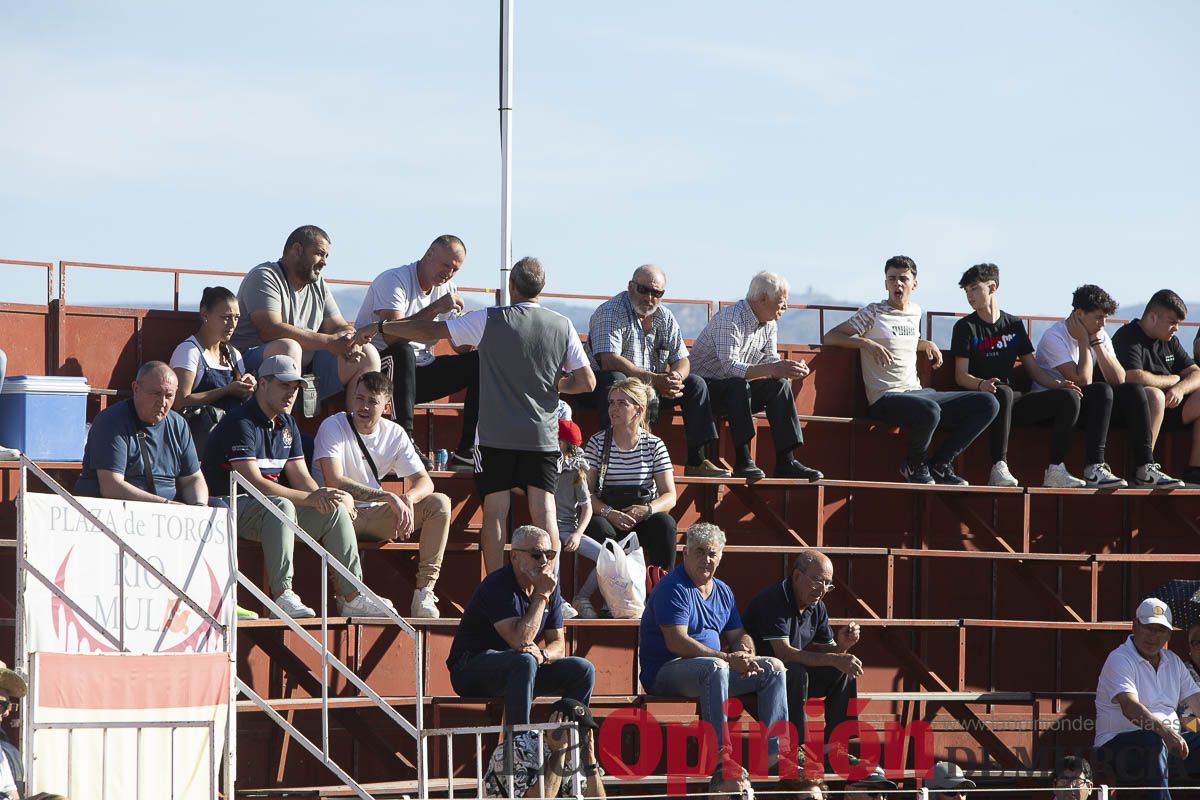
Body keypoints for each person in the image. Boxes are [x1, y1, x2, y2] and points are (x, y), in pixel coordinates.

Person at [355, 257, 596, 573]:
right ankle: (548, 587)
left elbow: (431, 329)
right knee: (545, 511)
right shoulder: (562, 325)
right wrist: (554, 384)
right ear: (542, 288)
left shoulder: (490, 319)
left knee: (496, 511)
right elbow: (587, 381)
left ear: (511, 286)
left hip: (496, 434)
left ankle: (496, 583)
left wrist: (383, 326)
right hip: (541, 435)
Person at [202, 354, 394, 620]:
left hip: (266, 509)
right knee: (282, 505)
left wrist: (323, 496)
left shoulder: (287, 423)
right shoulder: (240, 422)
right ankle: (282, 595)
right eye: (284, 386)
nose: (291, 394)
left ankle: (351, 596)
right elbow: (255, 484)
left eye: (295, 388)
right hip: (230, 504)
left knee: (334, 510)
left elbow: (301, 477)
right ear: (263, 384)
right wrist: (311, 499)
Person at [638, 522, 789, 795]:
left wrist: (746, 653)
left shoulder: (723, 591)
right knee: (716, 667)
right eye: (699, 552)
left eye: (712, 553)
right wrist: (729, 658)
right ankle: (721, 756)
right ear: (685, 554)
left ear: (721, 556)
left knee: (774, 668)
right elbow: (676, 641)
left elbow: (738, 634)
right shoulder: (673, 588)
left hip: (713, 669)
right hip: (664, 671)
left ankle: (776, 753)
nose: (706, 559)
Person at [823, 255, 999, 485]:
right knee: (930, 410)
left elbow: (901, 340)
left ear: (914, 284)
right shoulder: (873, 313)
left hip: (916, 392)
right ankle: (914, 464)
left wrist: (926, 343)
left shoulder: (915, 312)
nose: (897, 284)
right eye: (892, 279)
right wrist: (865, 342)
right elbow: (831, 336)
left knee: (988, 403)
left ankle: (941, 463)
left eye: (903, 279)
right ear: (885, 283)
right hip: (885, 397)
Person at [312, 371, 451, 618]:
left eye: (372, 402)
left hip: (375, 515)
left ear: (386, 406)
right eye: (359, 399)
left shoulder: (394, 433)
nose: (363, 407)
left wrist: (409, 499)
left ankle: (424, 593)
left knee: (439, 503)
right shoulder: (332, 425)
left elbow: (425, 482)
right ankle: (349, 596)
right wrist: (387, 497)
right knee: (338, 503)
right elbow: (335, 480)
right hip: (337, 514)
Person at [951, 263, 1095, 488]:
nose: (969, 295)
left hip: (1011, 400)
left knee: (1070, 397)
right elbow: (960, 375)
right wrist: (981, 384)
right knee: (1004, 392)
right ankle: (999, 467)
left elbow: (1034, 370)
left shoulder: (1014, 325)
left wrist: (1060, 384)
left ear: (992, 287)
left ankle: (1056, 470)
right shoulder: (965, 327)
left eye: (974, 289)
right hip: (981, 400)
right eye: (966, 291)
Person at [446, 525, 595, 736]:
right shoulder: (497, 585)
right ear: (514, 556)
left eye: (549, 554)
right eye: (536, 554)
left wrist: (543, 655)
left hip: (522, 668)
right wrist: (542, 595)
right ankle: (520, 745)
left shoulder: (549, 585)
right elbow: (520, 640)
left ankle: (565, 743)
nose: (544, 561)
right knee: (524, 660)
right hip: (471, 668)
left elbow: (558, 644)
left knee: (582, 669)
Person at [1033, 285, 1181, 488]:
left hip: (1085, 405)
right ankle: (1094, 466)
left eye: (1105, 317)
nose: (1103, 323)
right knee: (1101, 390)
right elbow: (1082, 381)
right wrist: (1084, 341)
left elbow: (1120, 379)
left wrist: (1097, 344)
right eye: (1098, 317)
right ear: (1079, 314)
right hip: (1056, 406)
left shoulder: (1099, 334)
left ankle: (1145, 466)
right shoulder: (1054, 337)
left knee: (1133, 390)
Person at [587, 264, 725, 477]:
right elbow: (608, 360)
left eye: (656, 293)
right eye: (644, 290)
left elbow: (683, 360)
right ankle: (611, 454)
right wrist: (653, 379)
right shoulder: (610, 312)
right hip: (610, 390)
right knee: (614, 378)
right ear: (631, 286)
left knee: (695, 383)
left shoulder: (665, 317)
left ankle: (697, 460)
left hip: (649, 389)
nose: (649, 297)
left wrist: (676, 377)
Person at [355, 235, 478, 470]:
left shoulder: (447, 287)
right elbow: (392, 335)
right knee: (403, 351)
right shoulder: (394, 280)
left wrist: (472, 333)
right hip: (382, 369)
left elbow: (458, 347)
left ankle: (467, 450)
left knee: (478, 363)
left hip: (417, 371)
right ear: (429, 254)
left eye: (455, 269)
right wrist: (436, 308)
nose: (449, 274)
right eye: (446, 265)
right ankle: (405, 442)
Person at [689, 271, 823, 481]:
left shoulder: (769, 324)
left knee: (779, 385)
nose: (786, 307)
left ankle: (786, 460)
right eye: (781, 301)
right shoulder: (730, 319)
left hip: (737, 392)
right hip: (705, 393)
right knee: (737, 385)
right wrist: (773, 368)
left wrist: (790, 368)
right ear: (762, 299)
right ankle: (743, 461)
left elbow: (770, 359)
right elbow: (729, 367)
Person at [230, 225, 380, 412]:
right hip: (250, 369)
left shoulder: (318, 284)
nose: (324, 262)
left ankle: (357, 435)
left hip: (306, 370)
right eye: (319, 254)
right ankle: (284, 430)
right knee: (288, 347)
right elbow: (269, 329)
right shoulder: (264, 276)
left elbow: (337, 325)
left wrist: (352, 339)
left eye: (326, 256)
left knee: (367, 354)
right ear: (297, 250)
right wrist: (329, 342)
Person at [742, 550, 862, 767]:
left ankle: (834, 749)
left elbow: (830, 654)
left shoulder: (817, 606)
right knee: (795, 671)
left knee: (844, 669)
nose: (823, 590)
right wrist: (835, 658)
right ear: (797, 576)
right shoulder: (773, 600)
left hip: (791, 678)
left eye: (828, 584)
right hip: (757, 677)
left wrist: (843, 645)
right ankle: (795, 748)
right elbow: (784, 653)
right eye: (818, 580)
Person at [573, 378, 679, 617]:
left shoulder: (654, 445)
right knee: (600, 531)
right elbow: (586, 494)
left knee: (665, 525)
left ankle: (659, 597)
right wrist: (609, 512)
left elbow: (670, 495)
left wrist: (647, 510)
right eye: (611, 403)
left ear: (638, 410)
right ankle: (614, 599)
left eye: (622, 403)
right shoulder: (598, 443)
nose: (613, 409)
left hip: (642, 514)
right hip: (607, 512)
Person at [1094, 597, 1200, 799]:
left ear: (1169, 634)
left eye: (1160, 630)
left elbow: (1197, 702)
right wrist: (1166, 732)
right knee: (1153, 741)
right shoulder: (1120, 659)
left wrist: (1172, 734)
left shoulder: (1173, 662)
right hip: (1117, 748)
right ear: (1135, 626)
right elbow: (1130, 707)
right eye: (1148, 628)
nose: (1153, 636)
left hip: (1168, 745)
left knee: (1158, 743)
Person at [74, 362, 208, 505]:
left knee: (220, 507)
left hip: (171, 512)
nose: (162, 402)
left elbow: (193, 479)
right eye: (156, 394)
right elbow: (111, 487)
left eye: (169, 396)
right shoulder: (111, 421)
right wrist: (165, 505)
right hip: (118, 511)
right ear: (136, 389)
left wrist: (198, 507)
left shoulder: (178, 425)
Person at [1112, 290, 1200, 487]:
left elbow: (1196, 373)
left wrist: (1179, 389)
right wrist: (1172, 381)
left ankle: (1195, 471)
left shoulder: (1170, 342)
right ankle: (1145, 469)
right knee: (1154, 395)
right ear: (1152, 317)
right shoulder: (1128, 336)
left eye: (1178, 323)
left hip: (1170, 407)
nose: (1176, 328)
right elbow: (1133, 376)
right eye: (1172, 322)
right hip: (1135, 411)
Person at [480, 698, 608, 799]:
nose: (580, 739)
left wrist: (590, 761)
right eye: (575, 731)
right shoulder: (515, 752)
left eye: (585, 732)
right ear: (554, 729)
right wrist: (559, 752)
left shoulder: (575, 757)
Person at [171, 286, 256, 412]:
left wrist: (249, 385)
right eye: (226, 317)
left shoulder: (234, 354)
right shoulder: (189, 351)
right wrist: (226, 390)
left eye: (236, 318)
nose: (233, 324)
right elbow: (180, 402)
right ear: (205, 314)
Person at [0, 661, 26, 800]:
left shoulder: (4, 753)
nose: (6, 713)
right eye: (1, 705)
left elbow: (11, 792)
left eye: (8, 706)